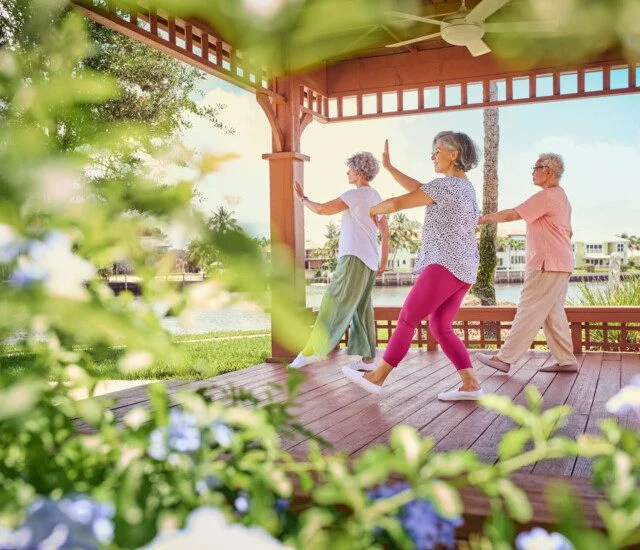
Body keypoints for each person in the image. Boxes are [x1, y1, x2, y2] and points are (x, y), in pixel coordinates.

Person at [343, 133, 485, 401]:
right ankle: (470, 384)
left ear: (453, 155)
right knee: (440, 325)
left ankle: (377, 376)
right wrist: (390, 167)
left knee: (408, 317)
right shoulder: (463, 187)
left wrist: (369, 211)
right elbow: (420, 189)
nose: (432, 156)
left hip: (444, 263)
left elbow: (397, 203)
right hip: (465, 268)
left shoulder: (446, 187)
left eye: (437, 150)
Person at [476, 153, 578, 373]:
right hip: (561, 263)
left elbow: (513, 214)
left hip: (546, 264)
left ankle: (504, 358)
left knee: (528, 308)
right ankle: (566, 360)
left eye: (536, 167)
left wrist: (484, 218)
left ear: (549, 172)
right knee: (553, 314)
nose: (532, 172)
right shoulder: (562, 197)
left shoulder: (547, 196)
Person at [288, 151, 389, 369]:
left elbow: (323, 209)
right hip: (369, 260)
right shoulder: (375, 196)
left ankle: (313, 350)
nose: (348, 172)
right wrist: (383, 261)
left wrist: (302, 199)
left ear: (360, 171)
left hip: (353, 257)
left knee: (332, 301)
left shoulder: (355, 195)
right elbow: (385, 232)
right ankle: (369, 360)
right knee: (362, 307)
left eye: (351, 168)